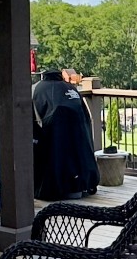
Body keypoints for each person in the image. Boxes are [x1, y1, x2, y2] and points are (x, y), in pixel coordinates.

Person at [31, 66, 98, 198]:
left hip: (54, 138)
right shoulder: (71, 88)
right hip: (79, 134)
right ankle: (82, 183)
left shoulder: (38, 90)